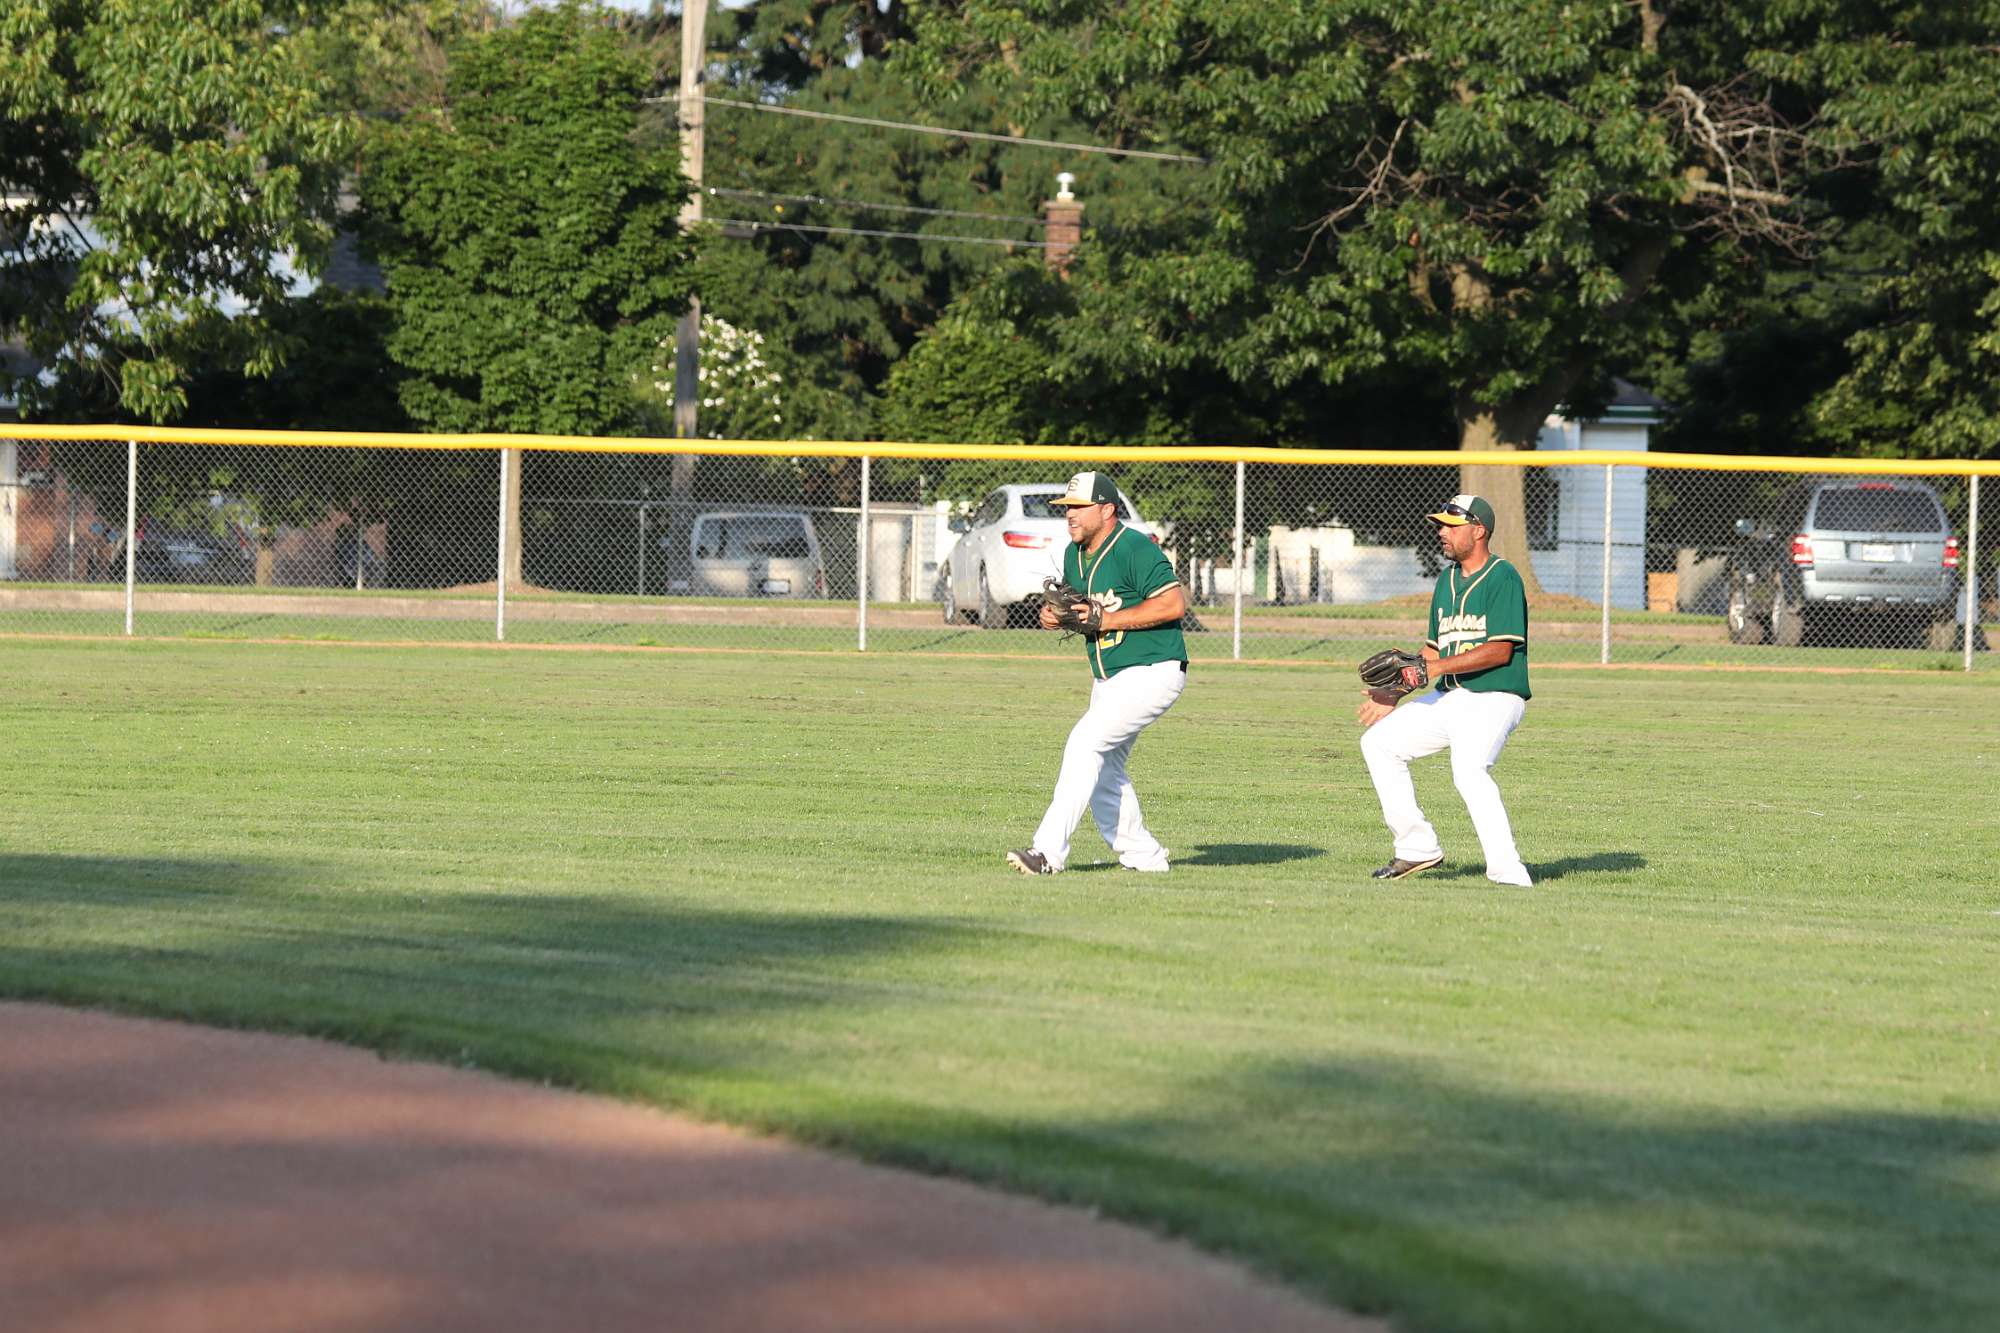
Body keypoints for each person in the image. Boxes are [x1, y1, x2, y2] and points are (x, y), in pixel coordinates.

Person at [1007, 471, 1189, 876]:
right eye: (1067, 508)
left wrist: (1107, 619)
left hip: (1152, 669)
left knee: (1084, 743)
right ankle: (1145, 857)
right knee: (1104, 770)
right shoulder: (1073, 555)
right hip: (1109, 677)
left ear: (1107, 510)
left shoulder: (1134, 548)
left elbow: (1173, 605)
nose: (1070, 514)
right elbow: (1081, 613)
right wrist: (1054, 617)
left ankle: (1046, 852)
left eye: (1079, 506)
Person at [1357, 493, 1534, 886]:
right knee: (1379, 743)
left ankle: (1508, 870)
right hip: (1450, 697)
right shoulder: (1446, 581)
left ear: (1478, 530)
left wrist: (1433, 668)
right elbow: (1433, 651)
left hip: (1494, 696)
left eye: (1452, 526)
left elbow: (1500, 650)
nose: (1442, 531)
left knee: (1469, 771)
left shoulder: (1503, 576)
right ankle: (1416, 848)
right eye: (1441, 525)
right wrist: (1395, 691)